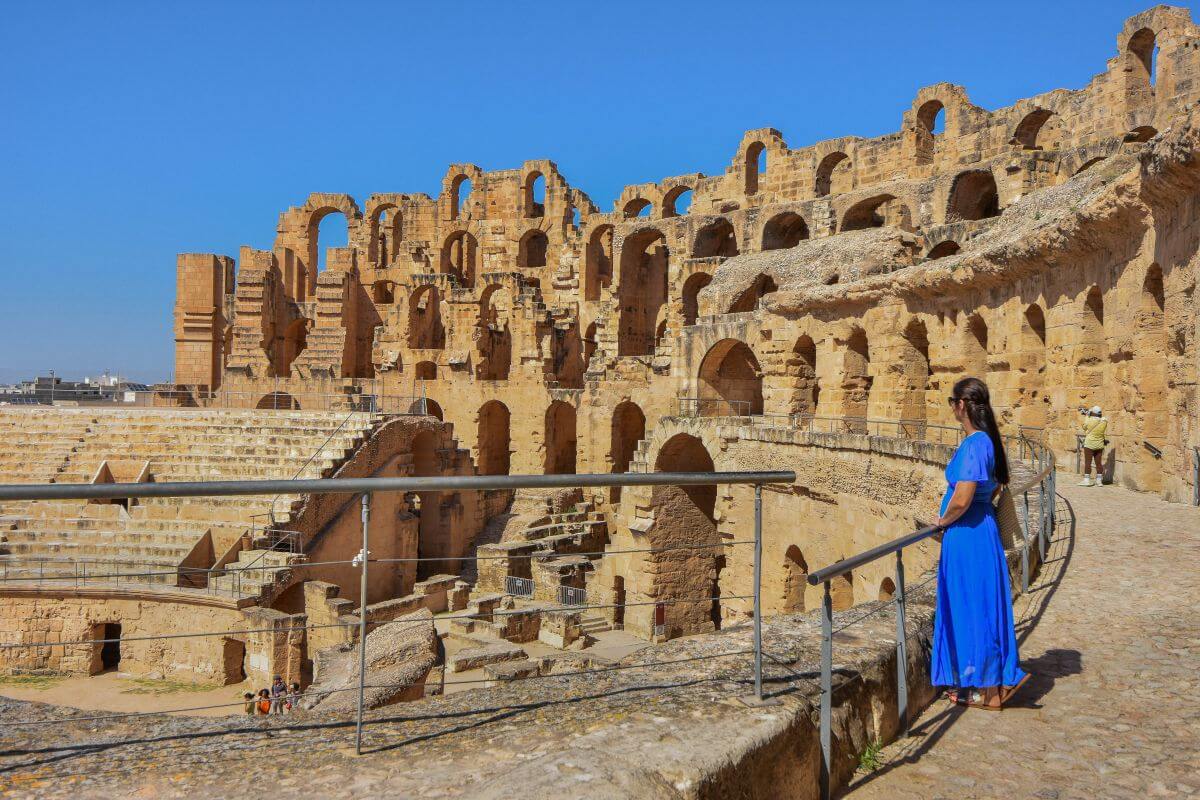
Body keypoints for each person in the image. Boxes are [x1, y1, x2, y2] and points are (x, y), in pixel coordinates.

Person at [932, 377, 1028, 710]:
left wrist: (942, 521)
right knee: (984, 606)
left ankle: (989, 692)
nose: (952, 409)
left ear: (961, 405)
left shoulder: (974, 444)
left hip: (966, 534)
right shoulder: (989, 442)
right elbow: (996, 486)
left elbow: (962, 498)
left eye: (952, 402)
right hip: (982, 530)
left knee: (971, 608)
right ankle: (992, 684)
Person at [1078, 405, 1108, 487]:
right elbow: (1101, 418)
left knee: (1088, 462)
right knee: (1098, 463)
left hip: (1089, 444)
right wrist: (1090, 414)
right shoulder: (1104, 421)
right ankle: (1099, 481)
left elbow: (1084, 427)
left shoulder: (1089, 420)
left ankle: (1086, 480)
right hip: (1099, 444)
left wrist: (1087, 416)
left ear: (1093, 413)